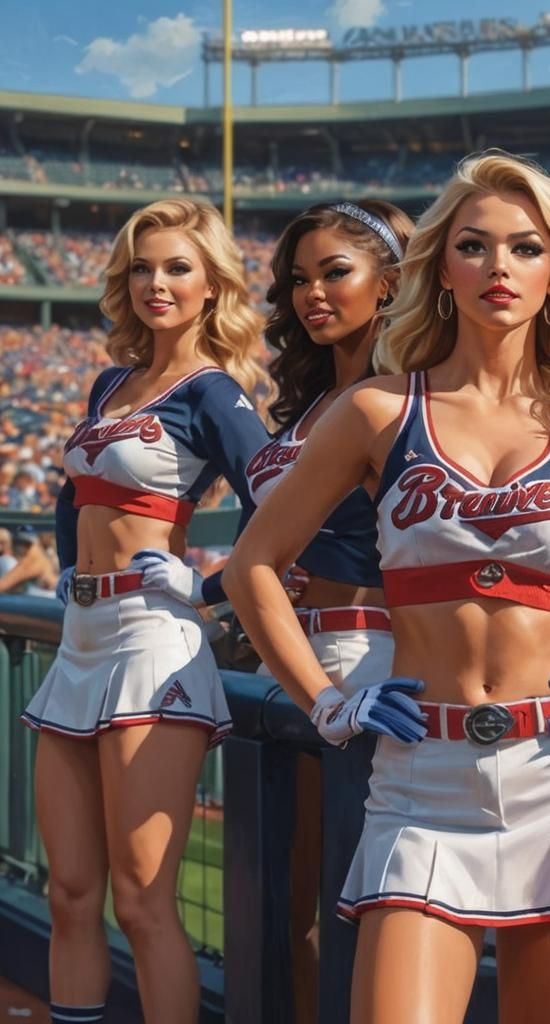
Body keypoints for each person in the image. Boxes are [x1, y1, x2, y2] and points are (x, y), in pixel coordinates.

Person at [223, 152, 550, 1024]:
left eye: (523, 247)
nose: (498, 267)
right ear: (441, 271)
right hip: (419, 782)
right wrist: (326, 703)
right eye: (473, 246)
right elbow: (252, 566)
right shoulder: (379, 412)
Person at [21, 198, 268, 1024]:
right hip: (80, 640)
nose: (155, 283)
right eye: (141, 266)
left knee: (140, 899)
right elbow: (70, 492)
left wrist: (207, 587)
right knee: (69, 891)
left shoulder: (216, 394)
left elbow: (283, 511)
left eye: (176, 268)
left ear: (211, 287)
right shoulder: (109, 382)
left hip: (151, 645)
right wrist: (66, 567)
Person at [217, 198, 413, 1022]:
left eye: (337, 272)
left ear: (391, 282)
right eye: (299, 278)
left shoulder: (400, 400)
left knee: (347, 906)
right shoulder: (306, 408)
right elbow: (268, 552)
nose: (312, 293)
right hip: (287, 665)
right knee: (281, 908)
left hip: (360, 660)